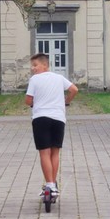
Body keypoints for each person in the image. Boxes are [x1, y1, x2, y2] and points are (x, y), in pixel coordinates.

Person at [25, 52, 78, 198]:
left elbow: (28, 100)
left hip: (41, 118)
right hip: (58, 118)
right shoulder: (59, 78)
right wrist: (66, 101)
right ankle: (52, 185)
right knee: (55, 152)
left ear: (44, 65)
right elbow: (74, 90)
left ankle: (49, 184)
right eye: (32, 66)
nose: (33, 68)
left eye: (35, 65)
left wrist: (35, 103)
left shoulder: (34, 80)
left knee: (44, 152)